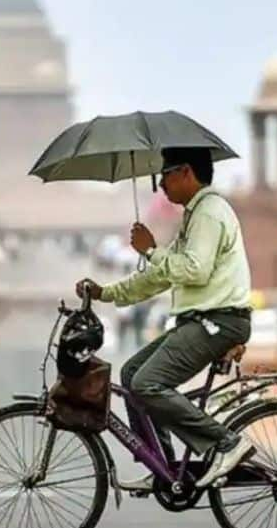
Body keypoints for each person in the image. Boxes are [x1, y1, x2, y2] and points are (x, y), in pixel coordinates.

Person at [76, 146, 254, 490]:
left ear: (186, 172)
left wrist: (151, 250)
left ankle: (227, 443)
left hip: (218, 321)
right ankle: (164, 466)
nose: (160, 186)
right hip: (201, 321)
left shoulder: (210, 212)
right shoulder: (194, 215)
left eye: (164, 175)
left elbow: (194, 270)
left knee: (147, 384)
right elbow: (159, 276)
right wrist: (105, 293)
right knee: (131, 375)